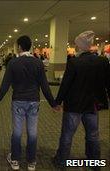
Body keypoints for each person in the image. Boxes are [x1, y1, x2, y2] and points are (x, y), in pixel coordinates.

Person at [0, 35, 61, 171]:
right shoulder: (38, 63)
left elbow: (5, 86)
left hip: (18, 101)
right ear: (30, 47)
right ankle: (31, 162)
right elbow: (45, 86)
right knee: (32, 132)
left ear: (19, 47)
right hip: (34, 101)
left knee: (17, 131)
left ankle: (15, 160)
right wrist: (53, 104)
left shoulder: (13, 63)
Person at [53, 31, 110, 171]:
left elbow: (66, 84)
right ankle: (94, 162)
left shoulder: (74, 62)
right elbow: (108, 83)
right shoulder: (102, 61)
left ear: (79, 46)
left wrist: (57, 101)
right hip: (93, 105)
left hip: (74, 105)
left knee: (67, 134)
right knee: (93, 135)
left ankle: (62, 161)